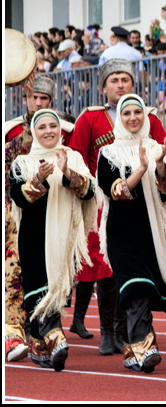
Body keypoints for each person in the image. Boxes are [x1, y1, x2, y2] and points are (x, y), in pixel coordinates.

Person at [68, 59, 166, 356]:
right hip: (102, 198)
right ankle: (110, 330)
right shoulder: (90, 118)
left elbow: (164, 156)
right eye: (114, 80)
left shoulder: (148, 117)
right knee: (105, 267)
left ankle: (130, 330)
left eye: (125, 79)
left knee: (139, 267)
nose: (120, 84)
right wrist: (93, 186)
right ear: (104, 87)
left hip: (145, 203)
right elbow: (77, 157)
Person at [96, 94, 166, 373]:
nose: (132, 118)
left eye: (137, 112)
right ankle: (145, 345)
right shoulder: (108, 153)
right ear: (119, 117)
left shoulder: (157, 148)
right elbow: (117, 192)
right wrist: (141, 168)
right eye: (126, 113)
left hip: (152, 233)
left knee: (144, 289)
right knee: (136, 287)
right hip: (121, 233)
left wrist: (161, 165)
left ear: (145, 116)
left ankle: (131, 347)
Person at [8, 110, 100, 372]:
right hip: (33, 238)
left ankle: (38, 342)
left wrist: (68, 173)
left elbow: (90, 192)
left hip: (65, 238)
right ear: (34, 132)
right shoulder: (21, 163)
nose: (48, 131)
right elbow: (18, 198)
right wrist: (38, 179)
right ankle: (54, 338)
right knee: (40, 289)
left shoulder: (73, 157)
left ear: (60, 130)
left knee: (56, 288)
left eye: (53, 126)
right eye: (42, 127)